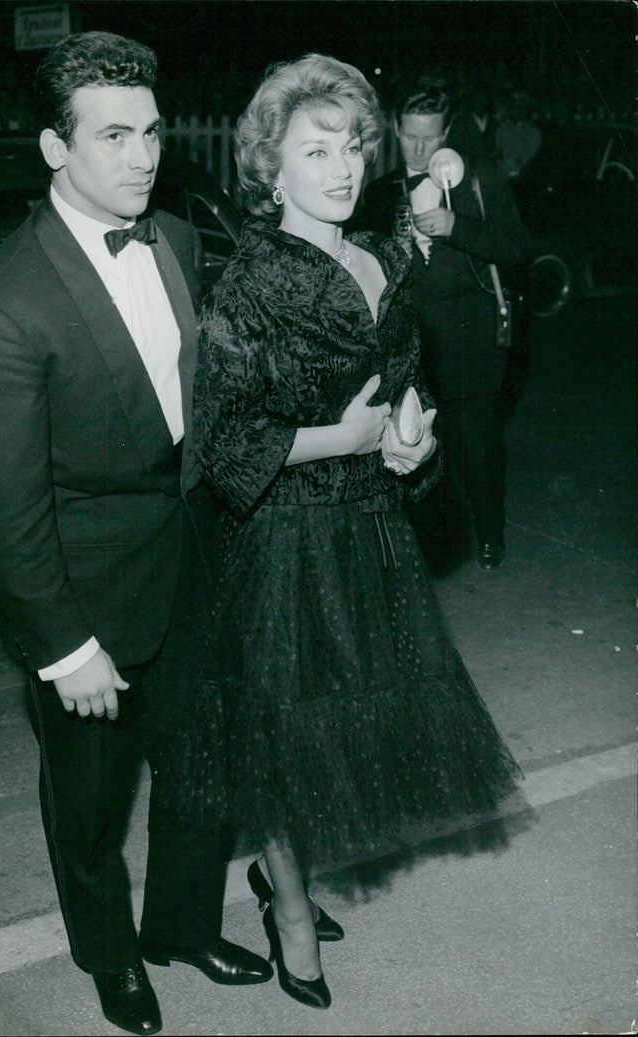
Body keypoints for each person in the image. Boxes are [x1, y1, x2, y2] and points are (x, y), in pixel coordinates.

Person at [0, 31, 271, 1037]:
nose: (143, 156)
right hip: (85, 604)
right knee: (86, 808)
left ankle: (177, 925)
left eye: (152, 132)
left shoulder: (171, 238)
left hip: (193, 562)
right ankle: (112, 955)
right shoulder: (1, 308)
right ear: (54, 149)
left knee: (203, 764)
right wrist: (62, 644)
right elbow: (4, 509)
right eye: (114, 135)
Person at [176, 54, 521, 1011]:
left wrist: (414, 442)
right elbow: (224, 440)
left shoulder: (386, 256)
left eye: (352, 146)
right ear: (269, 167)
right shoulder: (248, 282)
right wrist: (348, 434)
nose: (339, 167)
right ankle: (288, 909)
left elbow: (404, 385)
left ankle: (278, 877)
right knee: (282, 739)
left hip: (371, 528)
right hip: (285, 538)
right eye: (313, 149)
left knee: (346, 727)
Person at [357, 84, 532, 570]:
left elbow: (518, 247)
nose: (418, 149)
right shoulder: (380, 191)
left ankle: (490, 533)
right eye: (410, 137)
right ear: (396, 130)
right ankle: (423, 546)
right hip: (410, 342)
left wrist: (458, 227)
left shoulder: (481, 180)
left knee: (477, 444)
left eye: (429, 138)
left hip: (470, 336)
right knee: (412, 446)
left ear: (446, 133)